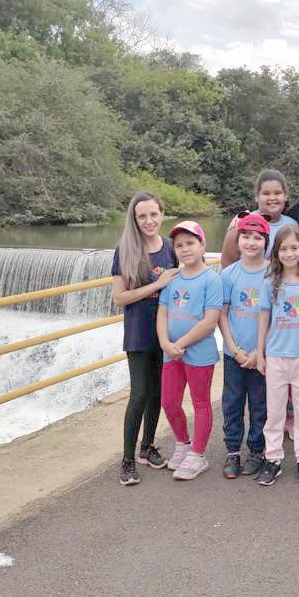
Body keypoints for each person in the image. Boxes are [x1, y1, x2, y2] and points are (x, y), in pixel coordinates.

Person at [112, 192, 179, 487]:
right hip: (139, 332)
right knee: (139, 394)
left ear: (162, 214)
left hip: (166, 331)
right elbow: (119, 297)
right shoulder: (126, 250)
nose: (149, 221)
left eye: (154, 214)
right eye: (142, 216)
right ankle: (126, 460)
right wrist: (158, 284)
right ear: (135, 219)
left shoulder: (170, 247)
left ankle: (147, 447)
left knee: (157, 394)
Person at [256, 226, 299, 486]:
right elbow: (263, 319)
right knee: (274, 412)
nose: (289, 253)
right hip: (275, 356)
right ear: (276, 253)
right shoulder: (269, 284)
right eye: (283, 248)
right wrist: (259, 353)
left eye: (294, 247)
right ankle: (272, 458)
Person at [156, 220, 223, 481]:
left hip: (198, 352)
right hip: (170, 351)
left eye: (190, 243)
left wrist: (180, 344)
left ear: (203, 245)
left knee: (200, 402)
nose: (185, 249)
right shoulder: (172, 278)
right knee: (169, 401)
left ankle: (198, 453)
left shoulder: (211, 279)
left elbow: (210, 321)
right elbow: (163, 311)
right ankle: (182, 443)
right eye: (179, 245)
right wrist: (164, 343)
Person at [219, 214, 271, 480]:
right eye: (246, 236)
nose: (251, 242)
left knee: (260, 403)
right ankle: (232, 451)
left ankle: (256, 450)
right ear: (237, 240)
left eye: (258, 237)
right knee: (232, 402)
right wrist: (234, 349)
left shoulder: (274, 272)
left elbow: (275, 317)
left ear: (266, 241)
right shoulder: (228, 274)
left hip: (262, 354)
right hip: (233, 353)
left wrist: (258, 352)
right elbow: (222, 314)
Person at [220, 169, 298, 267]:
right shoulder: (241, 223)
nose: (272, 198)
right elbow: (227, 263)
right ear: (257, 196)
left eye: (277, 193)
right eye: (266, 193)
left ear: (285, 196)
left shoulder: (293, 225)